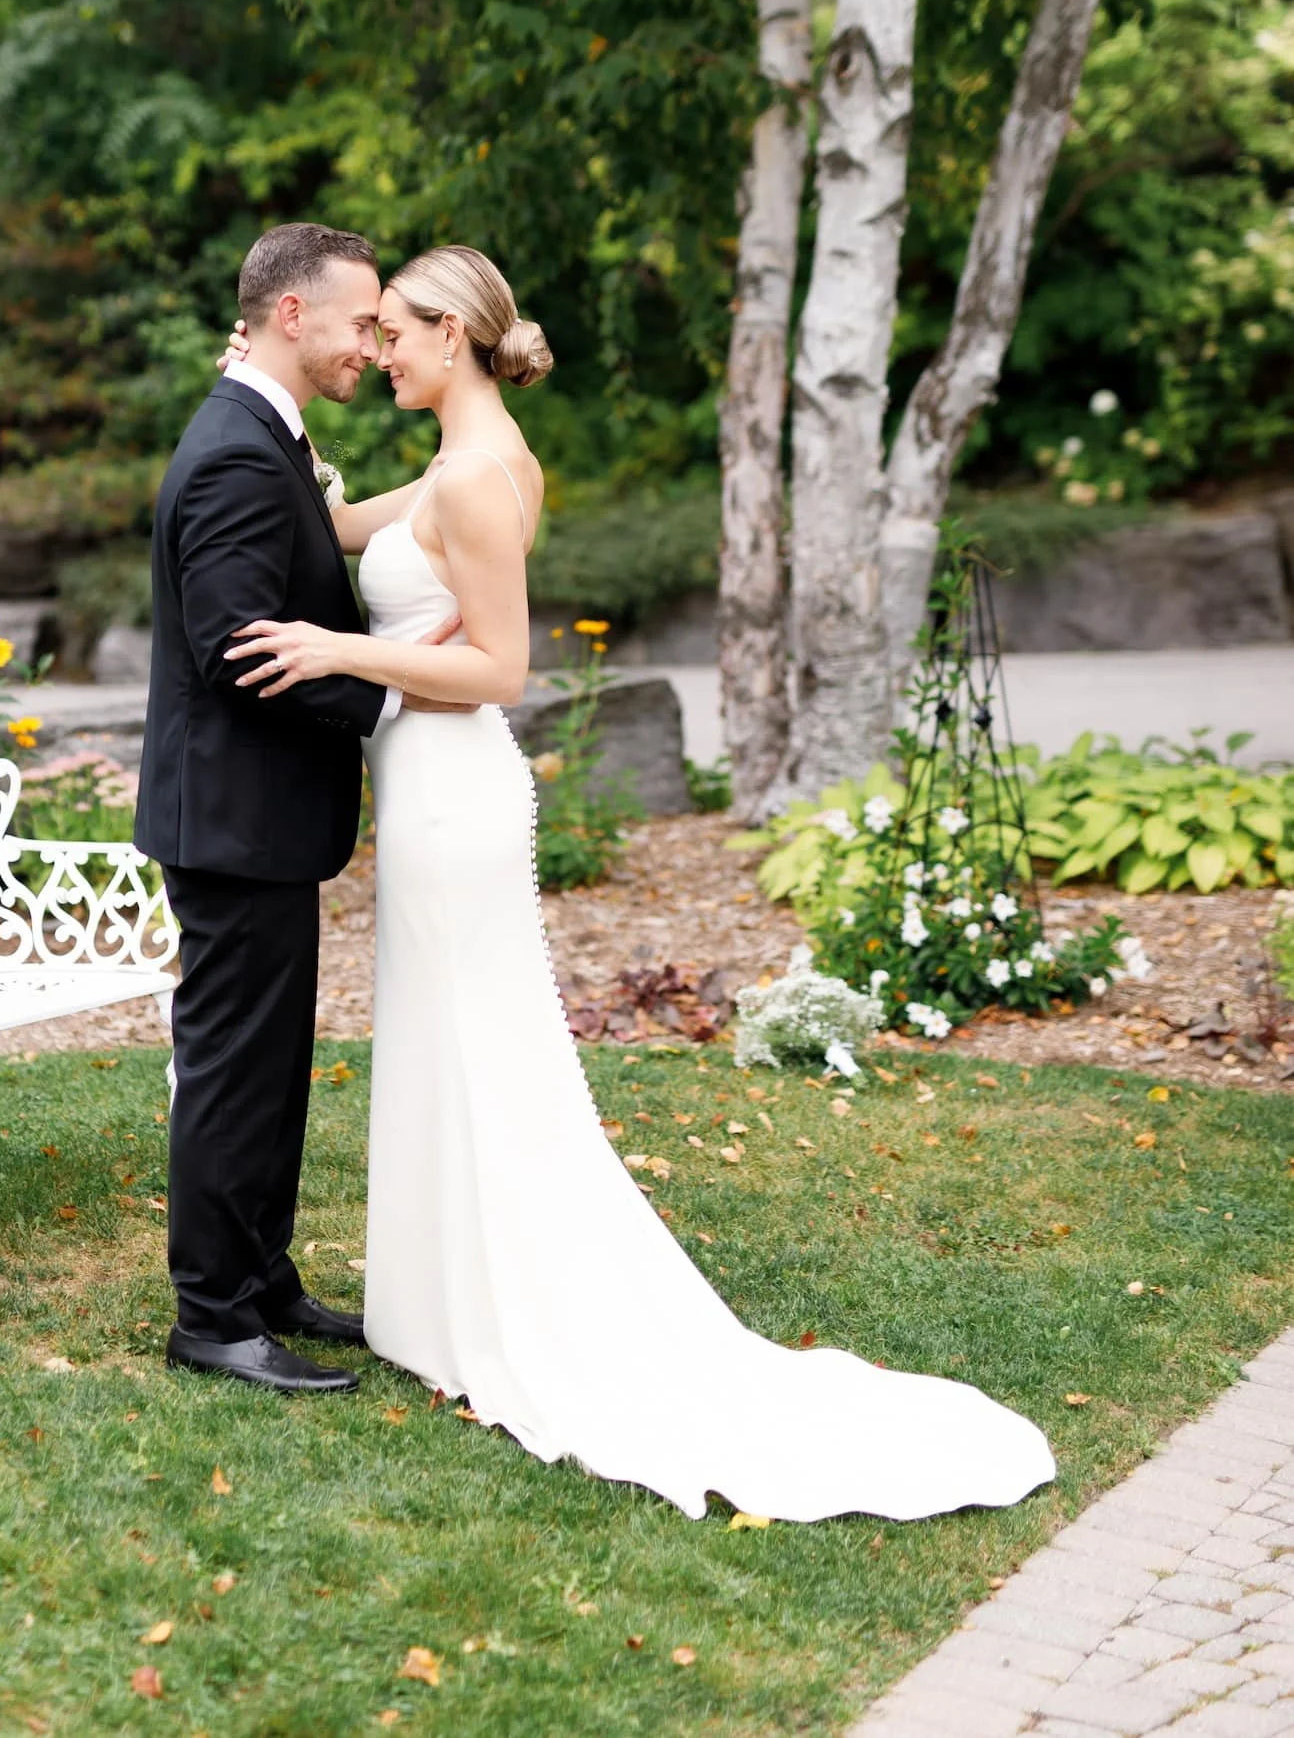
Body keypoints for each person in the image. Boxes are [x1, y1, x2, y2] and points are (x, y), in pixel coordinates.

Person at [220, 241, 1057, 1522]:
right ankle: (442, 1302)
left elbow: (501, 668)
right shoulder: (459, 465)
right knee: (447, 1038)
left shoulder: (485, 481)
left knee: (484, 1044)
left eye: (395, 330)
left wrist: (345, 646)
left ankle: (510, 1304)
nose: (378, 350)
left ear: (451, 335)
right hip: (425, 782)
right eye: (371, 331)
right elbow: (336, 525)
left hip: (457, 791)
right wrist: (260, 395)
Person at [136, 221, 457, 1395]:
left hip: (260, 817)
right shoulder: (232, 450)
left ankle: (262, 1275)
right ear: (290, 316)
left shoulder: (266, 432)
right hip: (232, 816)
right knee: (231, 1064)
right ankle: (211, 1315)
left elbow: (294, 576)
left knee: (271, 1062)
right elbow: (234, 650)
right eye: (362, 323)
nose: (374, 344)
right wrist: (388, 688)